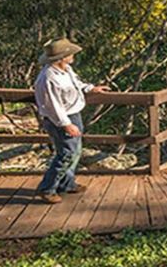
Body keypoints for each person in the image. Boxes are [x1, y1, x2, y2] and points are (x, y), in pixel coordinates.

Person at [34, 38, 110, 204]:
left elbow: (76, 83)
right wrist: (66, 124)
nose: (73, 55)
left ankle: (66, 184)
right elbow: (52, 106)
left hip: (74, 115)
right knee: (66, 154)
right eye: (70, 53)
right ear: (61, 57)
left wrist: (90, 88)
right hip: (60, 120)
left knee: (75, 152)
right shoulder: (47, 78)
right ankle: (47, 188)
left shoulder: (66, 69)